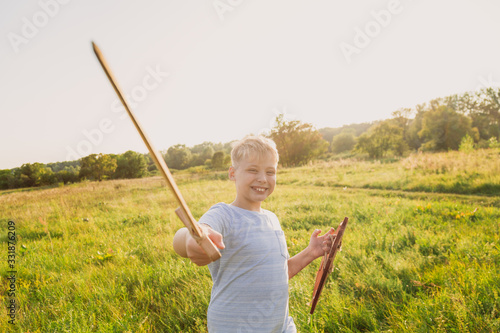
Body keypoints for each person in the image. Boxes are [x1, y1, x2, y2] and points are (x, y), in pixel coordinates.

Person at [173, 135, 335, 332]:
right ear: (232, 173)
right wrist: (193, 238)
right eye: (252, 170)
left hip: (280, 326)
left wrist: (311, 252)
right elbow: (189, 234)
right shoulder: (224, 214)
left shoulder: (272, 219)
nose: (262, 178)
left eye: (270, 172)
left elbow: (278, 273)